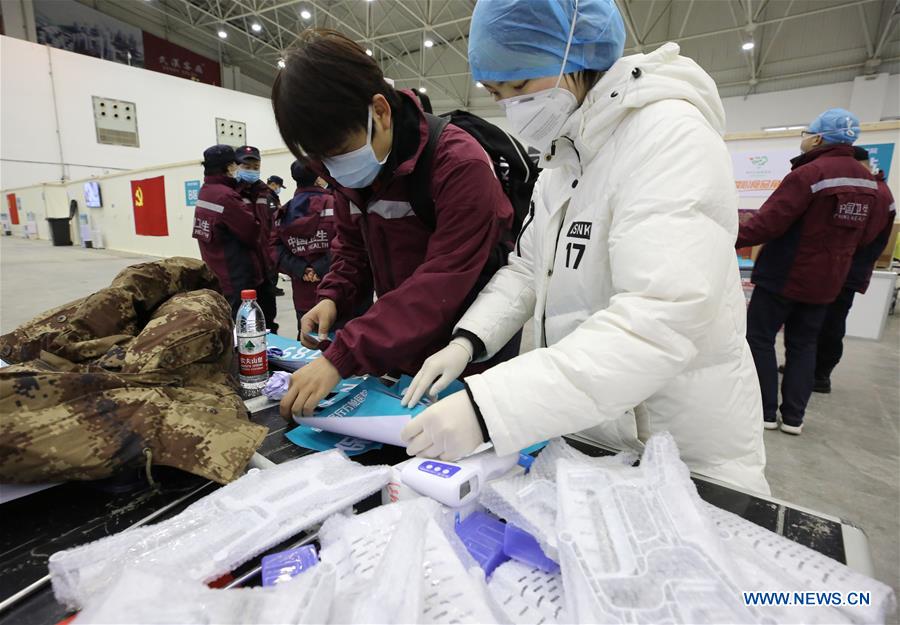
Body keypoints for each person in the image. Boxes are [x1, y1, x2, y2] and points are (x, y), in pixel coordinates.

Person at [400, 0, 769, 494]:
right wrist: (467, 341)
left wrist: (493, 405)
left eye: (520, 86)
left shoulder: (668, 137)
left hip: (681, 450)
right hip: (594, 432)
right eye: (497, 93)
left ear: (574, 58)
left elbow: (660, 316)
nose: (511, 107)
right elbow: (528, 270)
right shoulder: (564, 163)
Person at [271, 29, 518, 418]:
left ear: (380, 112)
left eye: (338, 153)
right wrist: (332, 297)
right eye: (322, 160)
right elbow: (351, 250)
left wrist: (343, 356)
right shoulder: (352, 175)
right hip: (400, 354)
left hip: (468, 358)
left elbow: (441, 280)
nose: (334, 169)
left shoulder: (458, 165)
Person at [737, 109, 881, 435]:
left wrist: (725, 237)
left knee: (759, 338)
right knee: (804, 345)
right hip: (828, 280)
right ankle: (794, 418)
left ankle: (763, 411)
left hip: (784, 275)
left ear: (818, 137)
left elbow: (768, 223)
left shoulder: (810, 174)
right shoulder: (870, 184)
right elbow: (870, 235)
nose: (804, 137)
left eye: (807, 132)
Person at [814, 147, 896, 393]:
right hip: (838, 267)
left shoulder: (877, 193)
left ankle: (820, 375)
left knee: (831, 323)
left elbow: (863, 238)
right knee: (818, 321)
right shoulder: (872, 189)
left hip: (847, 271)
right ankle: (809, 366)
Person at [192, 144, 275, 327]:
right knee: (247, 328)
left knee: (235, 327)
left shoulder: (206, 191)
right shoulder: (226, 196)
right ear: (230, 167)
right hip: (237, 276)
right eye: (238, 165)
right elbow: (253, 232)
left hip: (220, 273)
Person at [273, 161, 337, 336]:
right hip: (335, 289)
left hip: (303, 292)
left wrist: (301, 269)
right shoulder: (335, 205)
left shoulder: (283, 213)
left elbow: (274, 249)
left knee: (307, 340)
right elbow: (347, 243)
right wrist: (320, 268)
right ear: (318, 178)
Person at [233, 145, 279, 331]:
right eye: (247, 166)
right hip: (241, 270)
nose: (252, 170)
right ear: (236, 166)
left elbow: (275, 227)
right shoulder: (231, 194)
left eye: (255, 166)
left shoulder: (266, 193)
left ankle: (273, 358)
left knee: (268, 321)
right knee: (243, 325)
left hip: (266, 269)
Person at [266, 174, 287, 297]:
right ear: (273, 184)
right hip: (270, 234)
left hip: (273, 234)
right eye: (279, 186)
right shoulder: (269, 197)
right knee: (271, 263)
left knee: (274, 263)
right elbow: (272, 216)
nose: (279, 189)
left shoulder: (272, 197)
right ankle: (271, 287)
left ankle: (273, 286)